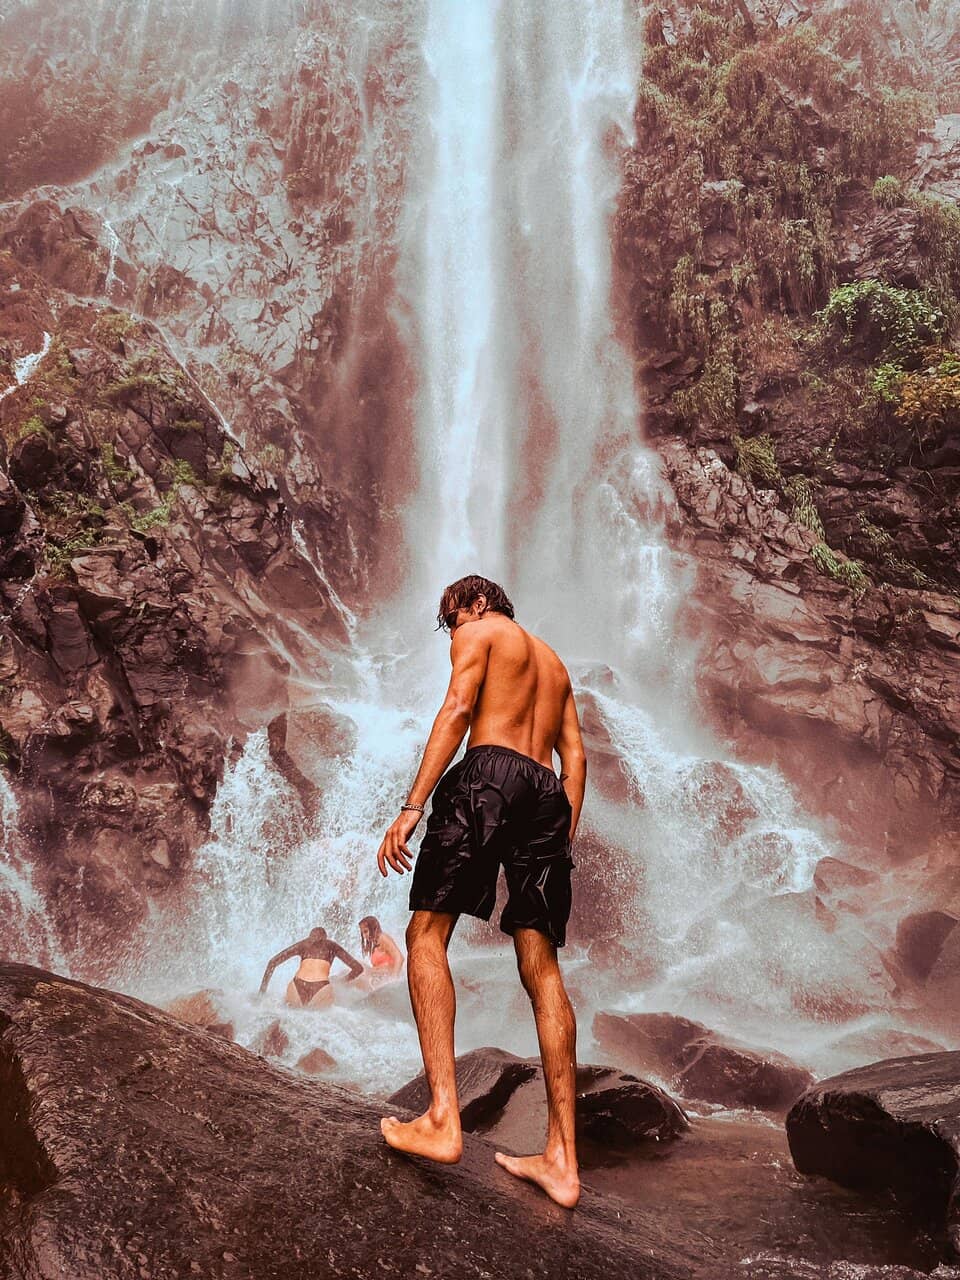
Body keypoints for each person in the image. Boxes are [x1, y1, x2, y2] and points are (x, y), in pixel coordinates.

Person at [376, 575, 587, 1209]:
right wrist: (558, 836)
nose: (453, 631)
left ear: (476, 603)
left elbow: (460, 708)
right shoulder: (552, 663)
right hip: (547, 794)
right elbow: (575, 757)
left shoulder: (481, 631)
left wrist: (413, 806)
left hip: (488, 773)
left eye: (452, 619)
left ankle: (443, 1118)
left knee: (426, 933)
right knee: (542, 966)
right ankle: (562, 1161)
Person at [259, 926, 363, 1008]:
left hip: (297, 985)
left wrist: (261, 993)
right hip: (321, 987)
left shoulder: (303, 944)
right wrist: (341, 981)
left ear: (310, 937)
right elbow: (358, 968)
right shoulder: (332, 945)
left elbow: (272, 963)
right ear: (325, 938)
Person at [359, 915, 405, 983]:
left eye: (365, 931)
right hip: (380, 980)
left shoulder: (383, 938)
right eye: (362, 933)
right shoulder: (374, 944)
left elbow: (400, 958)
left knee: (361, 969)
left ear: (373, 928)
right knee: (358, 966)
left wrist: (393, 980)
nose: (364, 936)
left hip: (390, 979)